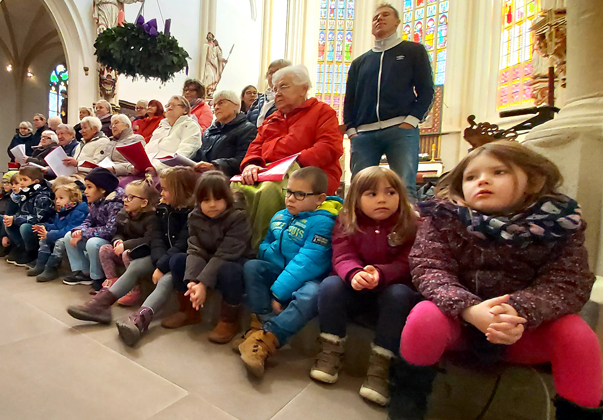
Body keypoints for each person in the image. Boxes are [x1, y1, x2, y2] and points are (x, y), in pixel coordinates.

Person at [392, 141, 602, 420]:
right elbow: (429, 268)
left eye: (499, 172)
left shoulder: (559, 225)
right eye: (471, 177)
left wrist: (517, 310)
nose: (483, 181)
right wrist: (469, 309)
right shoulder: (443, 218)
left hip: (522, 329)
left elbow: (568, 281)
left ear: (534, 181)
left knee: (576, 335)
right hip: (460, 323)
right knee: (424, 316)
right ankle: (407, 406)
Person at [312, 166, 419, 407]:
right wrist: (354, 274)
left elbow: (408, 261)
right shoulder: (346, 220)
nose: (382, 199)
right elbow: (341, 254)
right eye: (371, 194)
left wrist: (381, 273)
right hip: (355, 288)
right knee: (330, 286)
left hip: (390, 291)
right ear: (356, 199)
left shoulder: (410, 222)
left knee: (400, 294)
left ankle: (380, 368)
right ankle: (330, 351)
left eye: (390, 192)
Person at [238, 167, 343, 378]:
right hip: (280, 270)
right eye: (288, 192)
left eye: (300, 194)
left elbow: (308, 261)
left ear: (320, 198)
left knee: (312, 294)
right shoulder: (280, 215)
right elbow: (267, 241)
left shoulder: (323, 222)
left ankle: (268, 339)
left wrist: (278, 292)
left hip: (308, 278)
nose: (290, 199)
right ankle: (260, 327)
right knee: (252, 267)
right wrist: (267, 252)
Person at [233, 65, 344, 248]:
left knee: (269, 190)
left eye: (284, 87)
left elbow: (329, 147)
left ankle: (260, 248)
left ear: (303, 89)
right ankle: (234, 246)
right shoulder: (272, 119)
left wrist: (292, 164)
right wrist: (250, 165)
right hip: (269, 172)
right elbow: (255, 146)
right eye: (275, 89)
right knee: (235, 187)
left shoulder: (322, 112)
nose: (277, 93)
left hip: (311, 175)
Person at [344, 3, 435, 200]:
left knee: (404, 187)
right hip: (364, 135)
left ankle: (406, 231)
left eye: (385, 15)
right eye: (375, 17)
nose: (379, 19)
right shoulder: (360, 62)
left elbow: (427, 90)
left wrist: (411, 120)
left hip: (400, 130)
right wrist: (351, 130)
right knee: (360, 189)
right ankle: (356, 231)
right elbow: (350, 99)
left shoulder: (413, 51)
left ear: (397, 22)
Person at [164, 171, 252, 344]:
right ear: (198, 201)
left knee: (230, 270)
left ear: (227, 198)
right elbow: (196, 250)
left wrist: (203, 283)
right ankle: (190, 310)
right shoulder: (194, 217)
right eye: (206, 200)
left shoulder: (238, 217)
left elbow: (225, 254)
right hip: (208, 260)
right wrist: (192, 282)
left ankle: (229, 321)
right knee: (178, 260)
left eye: (217, 199)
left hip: (232, 259)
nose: (212, 205)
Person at [67, 176, 160, 319]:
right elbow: (118, 232)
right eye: (124, 196)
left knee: (126, 254)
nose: (125, 200)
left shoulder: (151, 217)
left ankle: (134, 288)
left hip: (139, 249)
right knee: (105, 249)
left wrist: (125, 245)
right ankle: (111, 282)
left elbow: (149, 239)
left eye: (130, 197)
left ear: (144, 202)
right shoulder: (124, 213)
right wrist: (117, 241)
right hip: (123, 247)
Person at [62, 168, 124, 292]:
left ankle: (98, 277)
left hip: (111, 240)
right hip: (97, 235)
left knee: (93, 243)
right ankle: (83, 272)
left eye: (89, 187)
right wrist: (79, 230)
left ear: (102, 189)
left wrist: (84, 233)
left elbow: (110, 230)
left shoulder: (116, 204)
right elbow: (88, 220)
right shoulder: (97, 201)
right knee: (69, 235)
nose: (85, 192)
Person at [27, 181, 90, 281]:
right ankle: (41, 264)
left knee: (59, 243)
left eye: (61, 198)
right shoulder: (62, 211)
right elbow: (57, 225)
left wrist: (49, 234)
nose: (57, 201)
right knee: (43, 240)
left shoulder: (79, 212)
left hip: (71, 237)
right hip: (61, 234)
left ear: (73, 199)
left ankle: (51, 268)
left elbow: (69, 230)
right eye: (56, 198)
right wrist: (45, 227)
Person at [193, 90, 257, 177]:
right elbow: (199, 156)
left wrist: (215, 166)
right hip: (205, 177)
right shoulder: (209, 132)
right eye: (214, 105)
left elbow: (244, 160)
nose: (216, 107)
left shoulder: (248, 129)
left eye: (221, 103)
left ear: (236, 105)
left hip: (226, 179)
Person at [1, 166, 55, 267]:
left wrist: (15, 219)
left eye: (24, 180)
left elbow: (39, 217)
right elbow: (20, 212)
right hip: (27, 221)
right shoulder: (25, 194)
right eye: (20, 180)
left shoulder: (42, 196)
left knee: (24, 227)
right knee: (7, 222)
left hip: (42, 225)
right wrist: (12, 217)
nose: (21, 183)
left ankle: (32, 253)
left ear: (36, 182)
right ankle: (21, 248)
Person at [143, 96, 202, 175]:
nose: (169, 108)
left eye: (173, 105)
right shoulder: (161, 127)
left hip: (168, 173)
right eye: (168, 105)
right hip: (146, 168)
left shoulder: (191, 126)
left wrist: (156, 168)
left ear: (185, 110)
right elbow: (148, 149)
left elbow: (184, 154)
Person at [246, 59, 291, 127]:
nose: (273, 76)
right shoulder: (258, 100)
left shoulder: (291, 100)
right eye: (270, 73)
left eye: (277, 72)